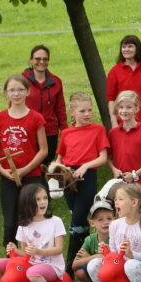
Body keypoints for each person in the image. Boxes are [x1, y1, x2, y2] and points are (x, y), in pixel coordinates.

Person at [0, 183, 67, 282]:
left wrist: (39, 251)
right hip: (32, 263)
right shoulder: (23, 225)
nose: (43, 202)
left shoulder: (55, 222)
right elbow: (26, 255)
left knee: (32, 273)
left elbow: (59, 249)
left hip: (52, 266)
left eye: (45, 198)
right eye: (38, 199)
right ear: (27, 203)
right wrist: (15, 251)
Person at [51, 92, 110, 263]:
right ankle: (86, 258)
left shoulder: (98, 130)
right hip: (69, 179)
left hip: (87, 176)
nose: (87, 114)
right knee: (80, 222)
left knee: (75, 222)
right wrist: (58, 170)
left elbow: (103, 157)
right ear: (72, 112)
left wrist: (85, 166)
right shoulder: (67, 133)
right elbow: (59, 158)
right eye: (83, 111)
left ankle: (70, 264)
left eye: (89, 110)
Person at [0, 75, 48, 245]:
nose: (16, 94)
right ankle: (10, 262)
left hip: (31, 176)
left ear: (28, 92)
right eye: (12, 90)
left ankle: (33, 257)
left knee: (31, 218)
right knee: (10, 222)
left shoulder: (36, 118)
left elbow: (44, 150)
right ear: (6, 93)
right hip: (8, 176)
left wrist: (25, 169)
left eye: (20, 90)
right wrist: (2, 169)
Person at [106, 35, 141, 133]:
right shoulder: (114, 71)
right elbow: (111, 99)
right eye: (124, 47)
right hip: (125, 121)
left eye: (130, 46)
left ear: (138, 49)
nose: (126, 49)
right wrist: (113, 121)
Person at [22, 44, 65, 163]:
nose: (41, 62)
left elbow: (60, 108)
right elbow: (14, 105)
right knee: (29, 164)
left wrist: (64, 130)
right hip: (27, 130)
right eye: (37, 59)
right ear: (31, 60)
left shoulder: (56, 82)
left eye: (45, 59)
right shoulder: (21, 80)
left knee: (46, 165)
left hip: (49, 131)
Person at [108, 90, 141, 189]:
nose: (124, 111)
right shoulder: (113, 133)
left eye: (128, 107)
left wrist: (134, 175)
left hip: (138, 184)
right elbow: (108, 158)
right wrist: (113, 169)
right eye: (121, 107)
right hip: (119, 182)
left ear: (137, 108)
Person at [72, 199, 114, 282]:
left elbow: (117, 261)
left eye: (109, 218)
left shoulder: (116, 237)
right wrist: (94, 257)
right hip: (97, 271)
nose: (106, 222)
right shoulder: (90, 240)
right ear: (92, 223)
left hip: (113, 274)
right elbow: (74, 265)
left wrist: (91, 257)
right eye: (100, 219)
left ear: (114, 220)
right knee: (79, 272)